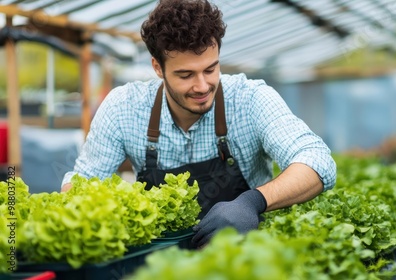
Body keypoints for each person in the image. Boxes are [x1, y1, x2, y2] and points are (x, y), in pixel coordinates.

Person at [61, 0, 336, 248]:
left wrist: (253, 202)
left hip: (246, 258)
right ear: (157, 67)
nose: (202, 86)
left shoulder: (250, 98)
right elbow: (83, 182)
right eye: (185, 75)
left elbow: (317, 161)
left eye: (210, 69)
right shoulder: (124, 107)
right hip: (160, 264)